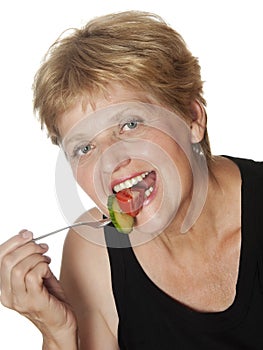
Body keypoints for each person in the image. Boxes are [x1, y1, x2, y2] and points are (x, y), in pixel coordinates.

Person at [1, 10, 263, 350]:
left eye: (130, 124)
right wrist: (58, 333)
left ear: (192, 118)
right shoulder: (92, 255)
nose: (110, 161)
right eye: (85, 147)